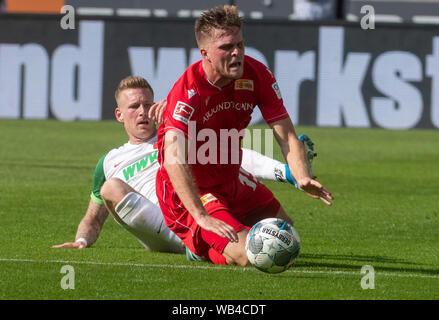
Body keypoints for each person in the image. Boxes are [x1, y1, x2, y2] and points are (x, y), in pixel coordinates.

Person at [52, 75, 317, 255]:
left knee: (286, 234)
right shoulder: (109, 162)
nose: (143, 112)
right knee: (111, 188)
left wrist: (285, 172)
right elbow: (93, 219)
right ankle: (196, 243)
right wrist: (81, 241)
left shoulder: (176, 133)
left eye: (147, 104)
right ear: (119, 115)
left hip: (198, 208)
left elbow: (233, 154)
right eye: (134, 107)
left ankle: (286, 174)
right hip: (162, 224)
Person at [156, 5, 333, 266]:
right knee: (250, 257)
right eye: (226, 47)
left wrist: (302, 176)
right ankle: (200, 247)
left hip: (231, 179)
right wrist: (201, 215)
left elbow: (286, 135)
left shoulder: (257, 74)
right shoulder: (189, 90)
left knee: (286, 241)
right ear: (204, 53)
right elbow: (173, 158)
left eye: (239, 44)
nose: (237, 52)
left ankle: (218, 236)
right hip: (194, 190)